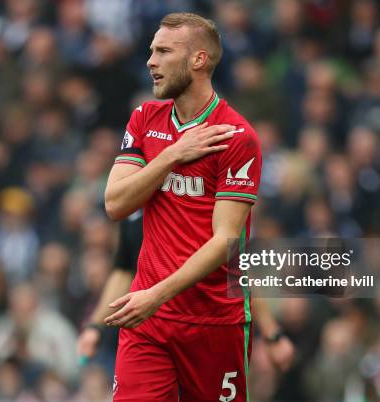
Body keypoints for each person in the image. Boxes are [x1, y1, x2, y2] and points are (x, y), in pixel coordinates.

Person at [103, 12, 263, 401]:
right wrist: (172, 155)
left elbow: (225, 239)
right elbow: (115, 203)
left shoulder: (237, 137)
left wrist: (155, 294)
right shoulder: (145, 119)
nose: (150, 61)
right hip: (147, 320)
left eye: (163, 51)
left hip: (212, 320)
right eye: (151, 51)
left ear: (199, 60)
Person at [77, 211, 295, 373]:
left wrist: (271, 334)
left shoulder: (194, 203)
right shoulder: (135, 206)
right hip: (150, 335)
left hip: (204, 329)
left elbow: (236, 270)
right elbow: (124, 269)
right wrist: (96, 326)